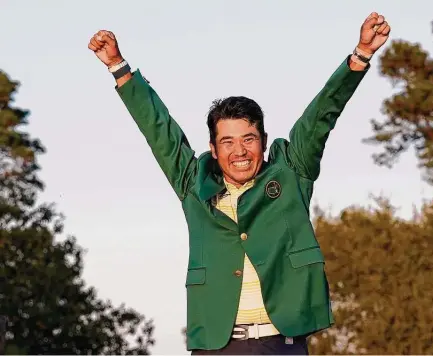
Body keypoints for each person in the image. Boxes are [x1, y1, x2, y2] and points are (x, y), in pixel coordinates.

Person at [88, 12, 390, 355]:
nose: (240, 151)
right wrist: (118, 67)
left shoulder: (291, 173)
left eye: (249, 139)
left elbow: (322, 115)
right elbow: (159, 130)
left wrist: (360, 56)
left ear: (263, 140)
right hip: (219, 345)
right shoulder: (193, 184)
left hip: (283, 344)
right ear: (214, 150)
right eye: (228, 142)